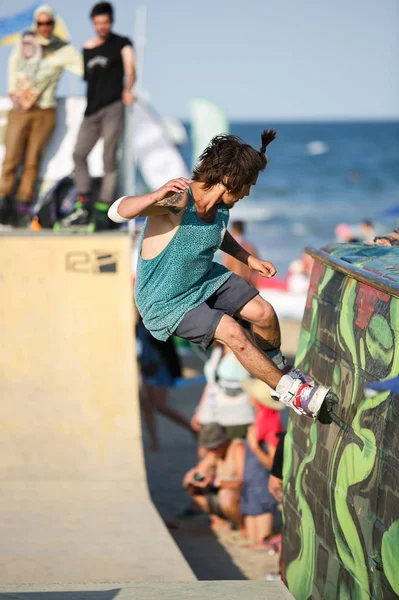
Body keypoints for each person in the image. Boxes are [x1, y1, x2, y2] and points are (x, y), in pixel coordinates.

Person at [108, 131, 338, 420]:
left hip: (202, 278)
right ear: (230, 178)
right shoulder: (178, 202)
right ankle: (292, 392)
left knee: (264, 313)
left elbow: (218, 233)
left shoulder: (220, 208)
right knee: (232, 331)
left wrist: (248, 258)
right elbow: (117, 212)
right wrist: (155, 195)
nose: (247, 193)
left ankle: (279, 371)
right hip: (165, 300)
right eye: (248, 186)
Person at [0, 5, 83, 227]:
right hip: (20, 108)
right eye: (40, 23)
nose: (44, 27)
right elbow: (13, 63)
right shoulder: (25, 40)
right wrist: (12, 90)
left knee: (32, 160)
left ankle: (21, 206)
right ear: (35, 24)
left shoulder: (62, 48)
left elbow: (84, 67)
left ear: (53, 24)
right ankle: (2, 199)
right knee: (11, 158)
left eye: (48, 23)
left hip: (45, 110)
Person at [67, 2, 136, 230]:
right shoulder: (87, 47)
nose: (101, 26)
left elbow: (131, 69)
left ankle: (104, 207)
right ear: (93, 24)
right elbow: (88, 79)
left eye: (105, 22)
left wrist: (128, 89)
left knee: (109, 157)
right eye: (97, 23)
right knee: (78, 154)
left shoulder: (122, 43)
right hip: (91, 110)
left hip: (113, 107)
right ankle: (84, 200)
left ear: (111, 21)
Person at [136, 318, 193, 452]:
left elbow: (167, 347)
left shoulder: (154, 320)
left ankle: (191, 428)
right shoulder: (135, 325)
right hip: (145, 369)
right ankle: (154, 441)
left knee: (161, 406)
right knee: (146, 406)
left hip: (160, 368)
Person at [240, 378, 284, 547]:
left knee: (260, 542)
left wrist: (255, 447)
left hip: (263, 487)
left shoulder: (272, 427)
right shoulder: (259, 420)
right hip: (251, 485)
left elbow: (274, 465)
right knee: (252, 540)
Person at [183, 423, 245, 532]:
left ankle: (242, 527)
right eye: (210, 448)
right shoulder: (215, 452)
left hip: (239, 494)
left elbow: (243, 482)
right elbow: (199, 471)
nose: (212, 451)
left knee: (226, 495)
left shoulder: (237, 448)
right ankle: (218, 520)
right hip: (221, 492)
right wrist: (193, 478)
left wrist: (215, 483)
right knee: (192, 487)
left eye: (214, 447)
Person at [191, 343, 255, 445]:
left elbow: (252, 386)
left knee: (234, 452)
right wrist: (199, 411)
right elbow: (211, 384)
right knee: (211, 454)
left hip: (238, 417)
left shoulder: (242, 349)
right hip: (213, 415)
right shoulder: (218, 350)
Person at [223, 220, 259, 287]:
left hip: (233, 284)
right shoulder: (250, 248)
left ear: (233, 230)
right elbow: (256, 271)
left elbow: (226, 268)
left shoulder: (229, 248)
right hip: (247, 284)